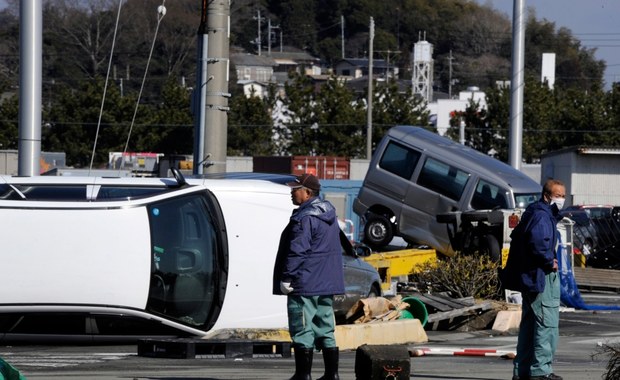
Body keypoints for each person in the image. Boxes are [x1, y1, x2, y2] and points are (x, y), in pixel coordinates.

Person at [273, 173, 345, 380]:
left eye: (295, 189)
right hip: (327, 283)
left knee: (302, 327)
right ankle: (332, 375)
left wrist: (287, 277)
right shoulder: (328, 214)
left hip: (305, 282)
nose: (291, 192)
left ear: (308, 192)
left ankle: (303, 375)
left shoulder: (305, 217)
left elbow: (298, 251)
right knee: (325, 328)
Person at [502, 179, 566, 380]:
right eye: (558, 195)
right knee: (546, 325)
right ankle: (541, 371)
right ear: (547, 196)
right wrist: (550, 261)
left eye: (564, 196)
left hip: (530, 278)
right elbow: (538, 244)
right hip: (541, 277)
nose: (561, 199)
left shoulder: (535, 212)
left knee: (530, 326)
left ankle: (522, 371)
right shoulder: (542, 216)